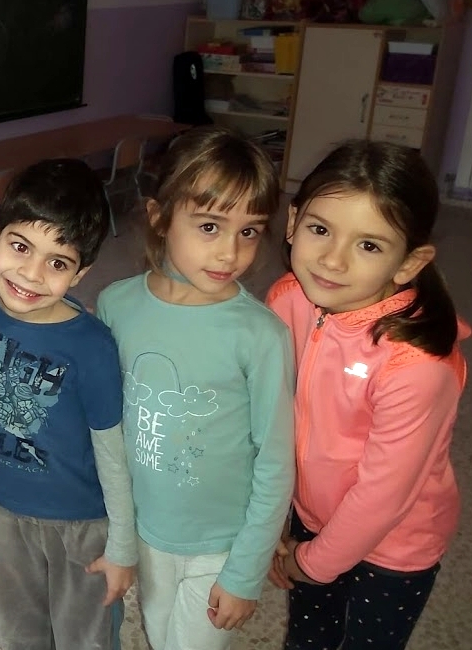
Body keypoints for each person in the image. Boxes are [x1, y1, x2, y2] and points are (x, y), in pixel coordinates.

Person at [97, 125, 296, 650]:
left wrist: (245, 571)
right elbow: (105, 425)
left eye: (249, 231)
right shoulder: (116, 304)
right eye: (210, 226)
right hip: (146, 530)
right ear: (160, 218)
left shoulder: (261, 335)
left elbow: (276, 462)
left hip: (220, 545)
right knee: (158, 635)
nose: (230, 252)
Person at [266, 140, 468, 650]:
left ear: (409, 263)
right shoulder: (287, 298)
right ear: (293, 222)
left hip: (394, 549)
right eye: (320, 230)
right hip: (309, 516)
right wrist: (272, 522)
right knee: (307, 639)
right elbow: (268, 415)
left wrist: (313, 562)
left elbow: (384, 497)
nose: (332, 261)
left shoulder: (416, 367)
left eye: (369, 245)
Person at [0, 158, 137, 650]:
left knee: (84, 637)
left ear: (81, 272)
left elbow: (112, 451)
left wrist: (123, 546)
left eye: (58, 263)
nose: (31, 274)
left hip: (81, 525)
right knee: (19, 631)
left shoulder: (91, 346)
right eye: (21, 246)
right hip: (6, 511)